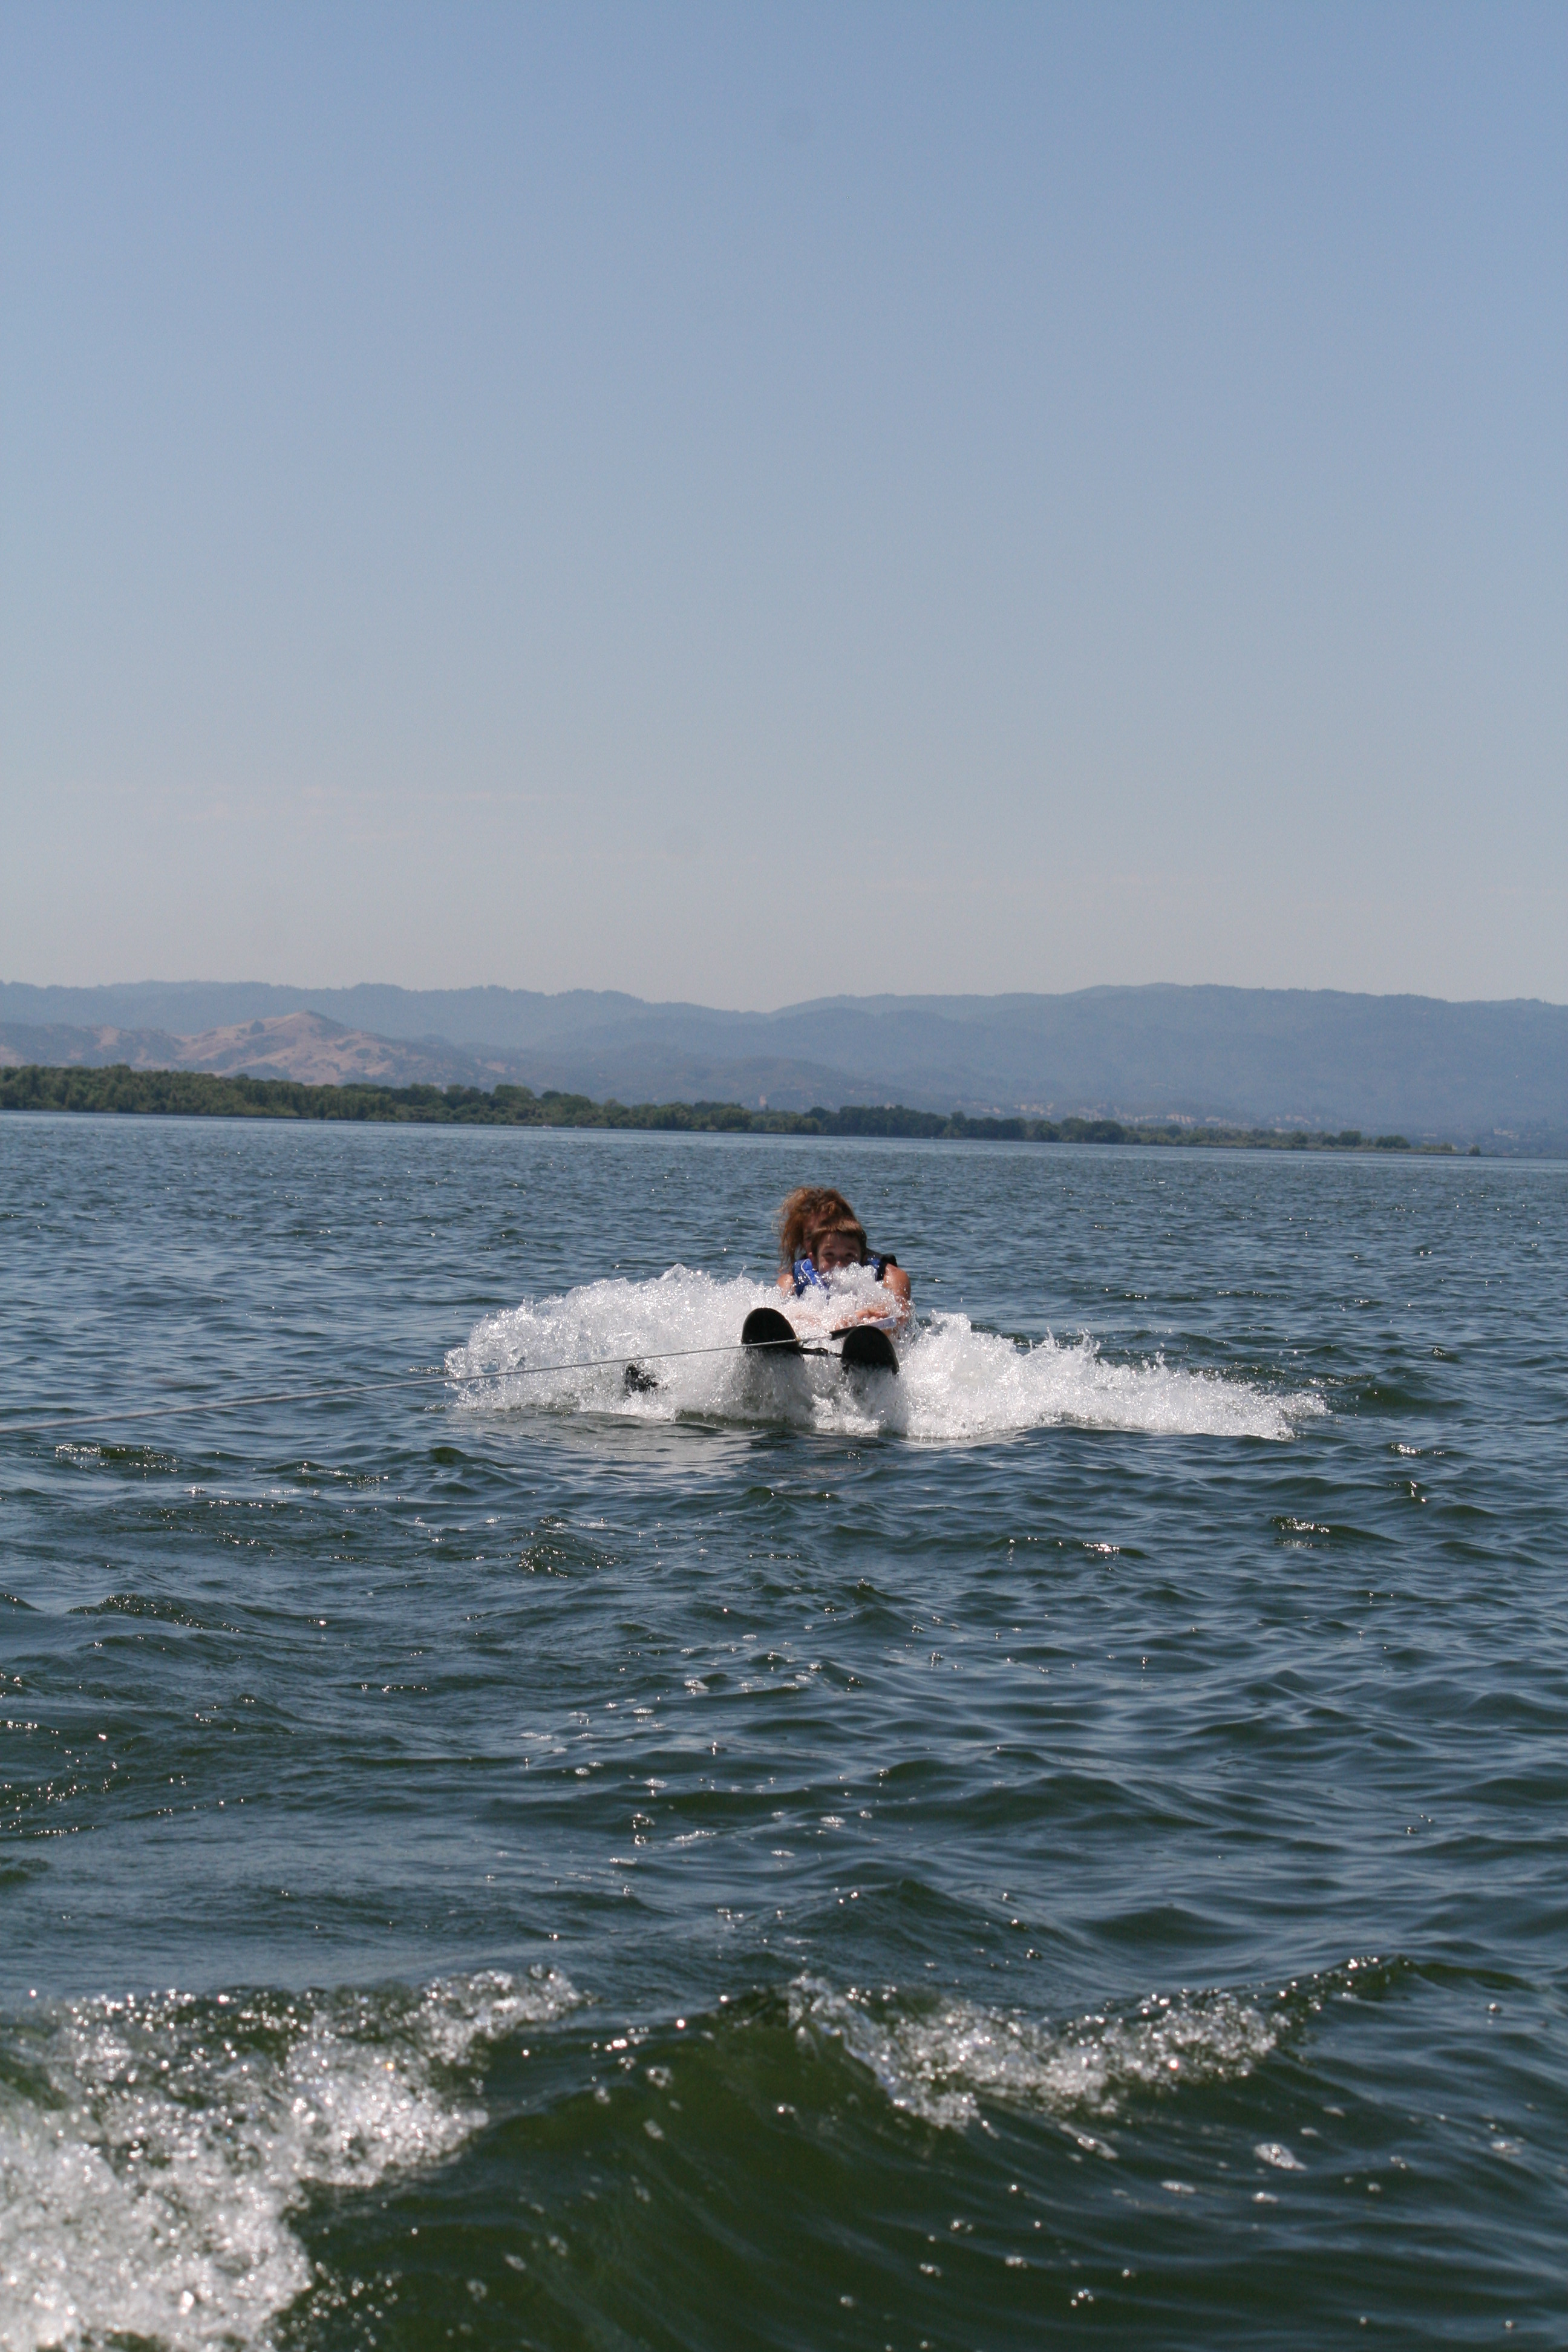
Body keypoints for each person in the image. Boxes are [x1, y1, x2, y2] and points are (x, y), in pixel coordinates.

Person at [775, 1186, 912, 1330]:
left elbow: (900, 1317)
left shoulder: (890, 1275)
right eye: (811, 1237)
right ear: (802, 1241)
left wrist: (872, 1316)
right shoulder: (792, 1280)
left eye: (827, 1231)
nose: (820, 1240)